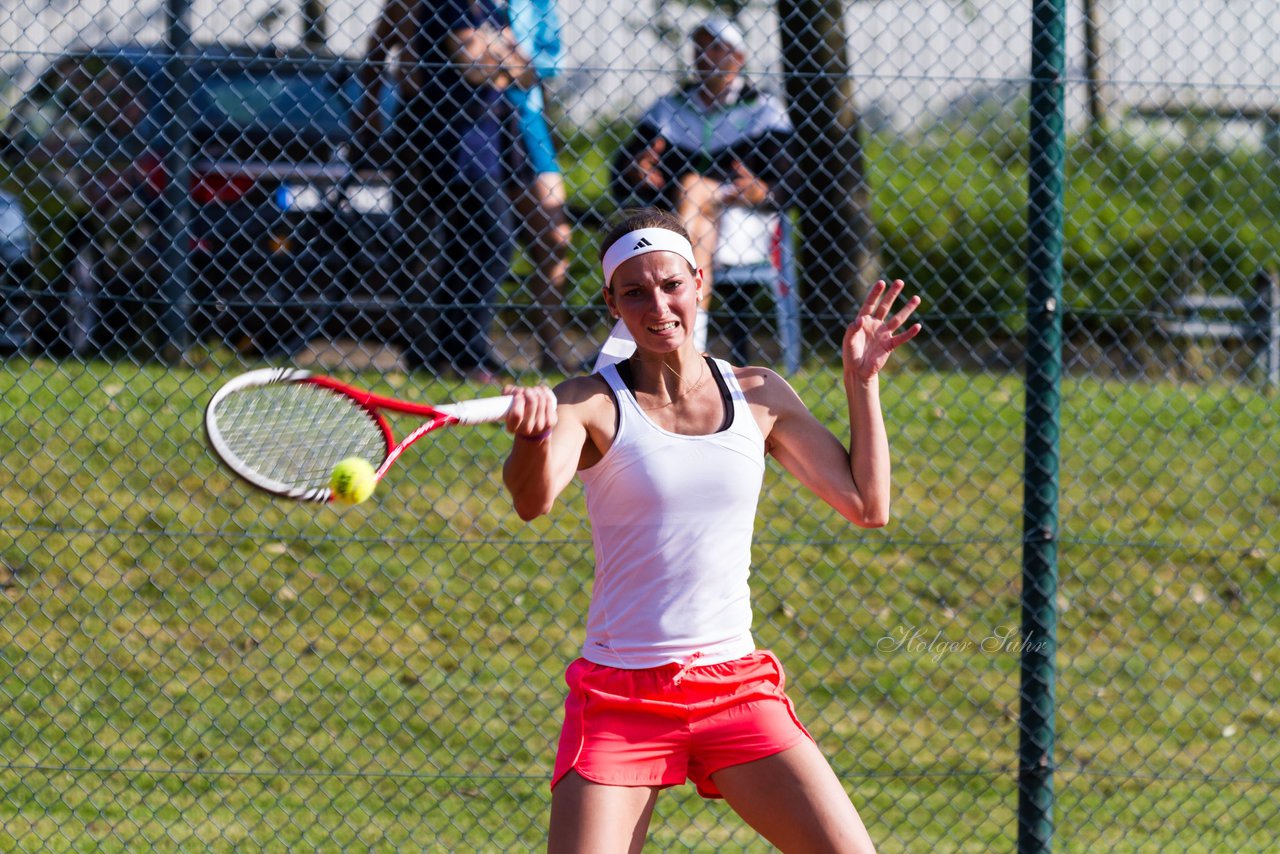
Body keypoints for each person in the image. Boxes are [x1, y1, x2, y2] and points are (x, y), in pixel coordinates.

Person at [500, 208, 921, 852]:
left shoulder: (759, 393)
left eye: (671, 285)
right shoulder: (586, 402)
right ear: (611, 301)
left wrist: (861, 383)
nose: (658, 305)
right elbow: (533, 502)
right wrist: (532, 440)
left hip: (734, 687)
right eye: (635, 292)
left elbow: (869, 505)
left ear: (700, 282)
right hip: (622, 696)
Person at [355, 0, 534, 380]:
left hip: (483, 139)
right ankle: (433, 352)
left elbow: (523, 73)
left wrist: (491, 56)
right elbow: (474, 67)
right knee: (429, 247)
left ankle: (461, 350)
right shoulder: (433, 6)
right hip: (431, 135)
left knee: (474, 243)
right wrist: (496, 56)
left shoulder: (492, 10)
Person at [610, 15, 795, 356]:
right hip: (684, 217)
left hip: (745, 218)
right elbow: (623, 171)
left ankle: (677, 338)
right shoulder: (670, 108)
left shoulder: (763, 109)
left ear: (738, 58)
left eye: (716, 48)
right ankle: (690, 337)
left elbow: (788, 186)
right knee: (695, 201)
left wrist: (759, 190)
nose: (705, 57)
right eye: (700, 47)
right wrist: (637, 171)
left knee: (694, 189)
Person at [505, 0, 574, 372]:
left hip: (524, 117)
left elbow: (550, 59)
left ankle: (551, 349)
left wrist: (518, 66)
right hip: (466, 119)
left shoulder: (537, 3)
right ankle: (458, 350)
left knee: (554, 237)